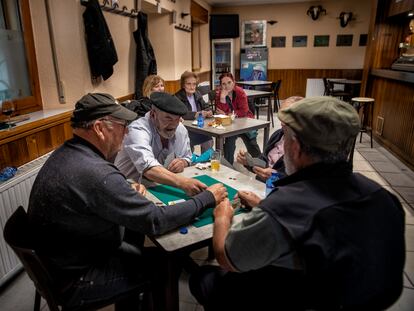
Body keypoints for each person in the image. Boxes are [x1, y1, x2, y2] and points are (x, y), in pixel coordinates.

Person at [189, 96, 406, 311]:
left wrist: (222, 216)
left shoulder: (282, 208)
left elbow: (226, 257)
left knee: (203, 278)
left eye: (286, 135)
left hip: (289, 299)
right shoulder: (384, 197)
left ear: (296, 147)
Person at [26, 93, 227, 311]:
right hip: (78, 278)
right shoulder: (97, 173)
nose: (127, 130)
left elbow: (93, 193)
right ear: (100, 128)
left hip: (65, 260)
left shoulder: (69, 153)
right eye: (122, 124)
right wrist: (206, 199)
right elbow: (156, 220)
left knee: (141, 244)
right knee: (165, 263)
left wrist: (120, 189)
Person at [115, 92, 207, 196]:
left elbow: (187, 157)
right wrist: (183, 182)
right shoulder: (137, 129)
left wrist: (183, 162)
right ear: (153, 114)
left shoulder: (179, 128)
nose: (173, 125)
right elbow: (149, 168)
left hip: (156, 186)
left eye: (177, 119)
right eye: (168, 118)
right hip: (126, 188)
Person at [236, 96, 303, 181]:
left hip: (282, 190)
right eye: (281, 115)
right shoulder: (278, 134)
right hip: (262, 184)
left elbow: (304, 182)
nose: (282, 122)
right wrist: (249, 162)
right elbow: (264, 160)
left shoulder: (305, 147)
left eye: (288, 117)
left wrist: (277, 177)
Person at [215, 72, 261, 164]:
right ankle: (228, 165)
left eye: (229, 82)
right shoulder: (220, 95)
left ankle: (260, 163)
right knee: (229, 142)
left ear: (234, 82)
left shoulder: (240, 92)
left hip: (245, 121)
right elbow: (220, 112)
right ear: (220, 85)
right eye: (223, 84)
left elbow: (244, 111)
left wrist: (228, 114)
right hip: (230, 124)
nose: (227, 86)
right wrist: (222, 99)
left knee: (251, 143)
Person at [174, 71, 213, 153]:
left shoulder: (197, 93)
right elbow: (179, 113)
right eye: (189, 84)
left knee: (208, 140)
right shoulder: (177, 97)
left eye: (194, 84)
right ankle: (189, 162)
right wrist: (195, 114)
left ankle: (204, 163)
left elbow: (205, 106)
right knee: (188, 144)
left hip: (200, 127)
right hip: (186, 129)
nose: (192, 87)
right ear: (183, 85)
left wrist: (208, 111)